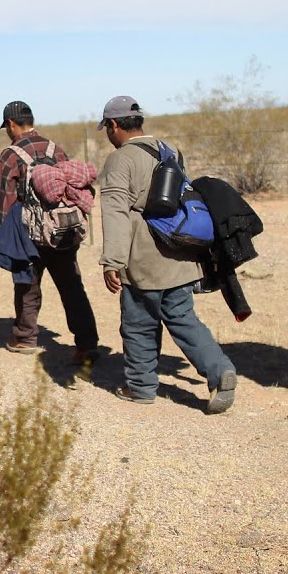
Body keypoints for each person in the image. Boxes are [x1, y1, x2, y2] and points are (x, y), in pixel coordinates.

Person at [97, 96, 237, 413]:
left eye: (107, 127)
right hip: (181, 255)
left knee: (138, 324)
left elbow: (116, 213)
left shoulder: (120, 160)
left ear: (114, 125)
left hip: (144, 260)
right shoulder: (168, 149)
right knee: (184, 319)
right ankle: (219, 369)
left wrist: (112, 262)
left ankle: (141, 387)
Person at [0, 101, 99, 365]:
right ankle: (87, 344)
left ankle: (25, 337)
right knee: (72, 286)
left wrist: (0, 234)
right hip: (62, 229)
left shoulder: (10, 155)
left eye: (7, 126)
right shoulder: (55, 149)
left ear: (11, 125)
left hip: (29, 230)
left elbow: (3, 200)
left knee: (27, 282)